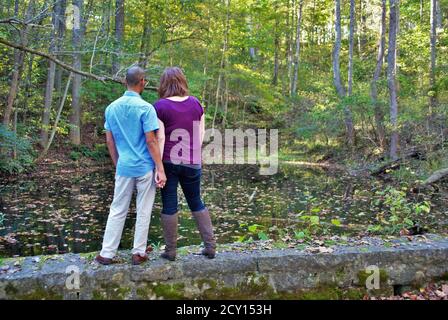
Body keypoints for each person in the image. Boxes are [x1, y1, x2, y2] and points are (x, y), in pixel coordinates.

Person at [95, 66, 167, 266]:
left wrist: (118, 163)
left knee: (117, 208)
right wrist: (160, 168)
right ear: (142, 82)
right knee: (143, 209)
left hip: (124, 166)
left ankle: (107, 253)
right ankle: (138, 252)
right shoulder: (146, 108)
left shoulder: (111, 108)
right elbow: (151, 141)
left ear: (125, 82)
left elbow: (109, 141)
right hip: (144, 167)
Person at [154, 67, 216, 261]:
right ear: (183, 81)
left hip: (169, 161)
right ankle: (210, 246)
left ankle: (171, 251)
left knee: (169, 204)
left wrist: (159, 168)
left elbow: (161, 138)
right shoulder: (196, 104)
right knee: (196, 201)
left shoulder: (159, 106)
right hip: (191, 161)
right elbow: (200, 135)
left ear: (164, 83)